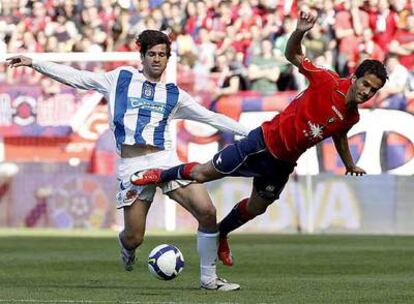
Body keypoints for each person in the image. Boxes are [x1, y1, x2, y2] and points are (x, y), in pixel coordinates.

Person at [130, 12, 388, 267]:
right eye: (365, 84)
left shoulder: (352, 117)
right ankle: (158, 174)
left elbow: (340, 135)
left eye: (373, 90)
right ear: (354, 78)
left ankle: (221, 233)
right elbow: (292, 56)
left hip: (283, 163)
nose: (367, 92)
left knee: (257, 207)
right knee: (201, 174)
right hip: (262, 144)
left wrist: (349, 163)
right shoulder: (326, 80)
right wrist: (299, 31)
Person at [6, 30, 248, 291]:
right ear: (141, 57)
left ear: (168, 59)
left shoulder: (174, 94)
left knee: (207, 211)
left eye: (162, 55)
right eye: (152, 54)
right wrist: (36, 63)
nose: (157, 59)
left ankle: (209, 280)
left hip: (165, 161)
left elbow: (211, 118)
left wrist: (255, 133)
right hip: (132, 166)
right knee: (134, 237)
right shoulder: (119, 78)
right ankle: (126, 248)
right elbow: (78, 78)